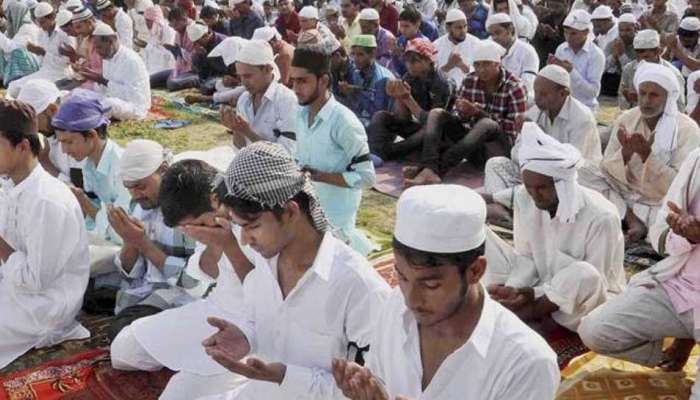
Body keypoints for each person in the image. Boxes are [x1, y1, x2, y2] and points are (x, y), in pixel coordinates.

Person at [185, 142, 390, 399]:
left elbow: (377, 391)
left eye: (252, 226)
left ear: (291, 211)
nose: (245, 240)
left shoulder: (357, 285)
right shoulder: (267, 258)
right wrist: (247, 338)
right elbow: (262, 320)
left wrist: (285, 376)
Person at [332, 184, 560, 400]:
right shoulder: (395, 307)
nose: (412, 300)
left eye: (430, 285)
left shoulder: (526, 362)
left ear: (475, 271)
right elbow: (380, 378)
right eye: (402, 277)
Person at [111, 159, 247, 400]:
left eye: (196, 225)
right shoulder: (210, 221)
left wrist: (229, 244)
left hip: (252, 328)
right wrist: (215, 244)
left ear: (216, 202)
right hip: (214, 309)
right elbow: (200, 279)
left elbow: (265, 293)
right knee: (123, 350)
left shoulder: (256, 222)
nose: (194, 232)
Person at [483, 122, 626, 334]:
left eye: (541, 188)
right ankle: (513, 306)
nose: (534, 194)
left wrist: (534, 295)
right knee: (480, 235)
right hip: (539, 285)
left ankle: (528, 314)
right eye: (529, 186)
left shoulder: (602, 216)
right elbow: (526, 256)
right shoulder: (525, 197)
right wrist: (514, 289)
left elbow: (596, 282)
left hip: (582, 304)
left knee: (584, 273)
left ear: (562, 184)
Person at [579, 147, 700, 394]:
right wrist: (683, 233)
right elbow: (660, 232)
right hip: (681, 286)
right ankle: (680, 342)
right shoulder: (697, 159)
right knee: (595, 331)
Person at [0, 99, 90, 370]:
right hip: (12, 288)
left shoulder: (46, 201)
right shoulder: (12, 185)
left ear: (23, 146)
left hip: (43, 309)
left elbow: (35, 281)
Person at [580, 62, 700, 243]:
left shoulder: (687, 130)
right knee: (582, 170)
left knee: (674, 231)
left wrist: (647, 157)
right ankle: (632, 221)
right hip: (625, 197)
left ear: (668, 98)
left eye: (654, 95)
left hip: (659, 204)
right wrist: (625, 154)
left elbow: (679, 186)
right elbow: (605, 169)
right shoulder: (627, 118)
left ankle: (636, 225)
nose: (645, 101)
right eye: (642, 93)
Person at [99, 140, 199, 333]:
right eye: (129, 187)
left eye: (140, 186)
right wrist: (129, 240)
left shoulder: (188, 213)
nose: (135, 195)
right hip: (149, 288)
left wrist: (142, 243)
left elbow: (190, 281)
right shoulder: (143, 205)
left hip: (181, 296)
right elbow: (130, 274)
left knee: (123, 330)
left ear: (164, 170)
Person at [405, 40, 527, 186]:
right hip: (471, 146)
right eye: (477, 64)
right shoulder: (470, 80)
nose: (481, 69)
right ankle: (428, 167)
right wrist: (465, 112)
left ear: (498, 64)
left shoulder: (515, 86)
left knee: (486, 124)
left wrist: (479, 113)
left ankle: (434, 169)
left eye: (486, 64)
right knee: (437, 114)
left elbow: (515, 130)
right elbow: (458, 116)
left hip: (498, 150)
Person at [291, 48, 377, 256]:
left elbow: (366, 178)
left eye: (302, 81)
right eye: (292, 81)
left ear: (324, 81)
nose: (295, 88)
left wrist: (321, 177)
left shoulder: (344, 122)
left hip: (335, 218)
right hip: (306, 210)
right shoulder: (300, 114)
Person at [484, 65, 602, 195]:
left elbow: (571, 163)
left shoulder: (582, 118)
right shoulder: (535, 112)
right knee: (495, 164)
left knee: (548, 184)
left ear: (563, 94)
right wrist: (528, 137)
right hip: (538, 174)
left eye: (543, 94)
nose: (537, 98)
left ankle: (508, 201)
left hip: (575, 178)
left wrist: (538, 137)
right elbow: (516, 154)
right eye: (536, 92)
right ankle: (510, 200)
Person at [53, 90, 131, 247]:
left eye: (68, 142)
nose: (64, 150)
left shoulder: (122, 169)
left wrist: (83, 202)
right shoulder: (89, 163)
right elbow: (92, 222)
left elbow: (121, 232)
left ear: (92, 135)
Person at [367, 38, 453, 164]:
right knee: (381, 116)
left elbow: (432, 121)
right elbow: (402, 118)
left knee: (422, 134)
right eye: (406, 61)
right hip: (420, 126)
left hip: (440, 133)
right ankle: (377, 153)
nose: (409, 65)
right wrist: (398, 97)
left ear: (429, 60)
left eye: (414, 61)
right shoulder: (409, 77)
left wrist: (407, 98)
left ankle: (387, 152)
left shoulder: (442, 83)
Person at [220, 40, 298, 153]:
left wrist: (248, 132)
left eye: (248, 76)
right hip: (248, 163)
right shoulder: (244, 99)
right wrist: (236, 129)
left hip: (277, 169)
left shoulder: (286, 100)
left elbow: (286, 155)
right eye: (240, 77)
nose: (243, 82)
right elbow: (239, 148)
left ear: (267, 69)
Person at [73, 22, 151, 121]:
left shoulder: (131, 60)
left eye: (99, 47)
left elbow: (133, 95)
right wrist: (95, 81)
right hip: (111, 98)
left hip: (134, 107)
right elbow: (104, 90)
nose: (97, 52)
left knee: (108, 104)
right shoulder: (108, 57)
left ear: (110, 42)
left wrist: (103, 81)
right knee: (78, 93)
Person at [16, 79, 83, 184]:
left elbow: (80, 193)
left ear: (52, 110)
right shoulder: (52, 131)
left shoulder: (77, 137)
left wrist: (45, 163)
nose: (33, 129)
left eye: (34, 121)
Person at [6, 3, 75, 98]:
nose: (40, 26)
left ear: (53, 17)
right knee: (13, 87)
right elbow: (42, 60)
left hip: (60, 74)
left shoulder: (64, 32)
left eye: (43, 22)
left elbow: (66, 63)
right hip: (44, 71)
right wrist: (37, 52)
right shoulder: (42, 33)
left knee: (24, 90)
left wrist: (44, 53)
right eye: (38, 22)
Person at [550, 9, 605, 110]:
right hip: (562, 106)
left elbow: (593, 92)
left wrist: (571, 72)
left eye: (573, 33)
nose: (568, 37)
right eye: (566, 33)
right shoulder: (562, 49)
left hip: (585, 108)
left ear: (586, 32)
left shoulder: (596, 55)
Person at [619, 29, 685, 110]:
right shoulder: (629, 69)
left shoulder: (672, 73)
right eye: (638, 55)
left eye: (645, 57)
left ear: (657, 51)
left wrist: (643, 100)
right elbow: (621, 99)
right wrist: (628, 100)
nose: (641, 61)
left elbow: (680, 106)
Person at [341, 34, 394, 127]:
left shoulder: (382, 79)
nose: (355, 59)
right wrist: (349, 93)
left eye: (360, 54)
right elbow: (357, 106)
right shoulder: (357, 73)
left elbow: (378, 114)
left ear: (373, 54)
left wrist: (356, 92)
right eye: (353, 54)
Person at [486, 12, 539, 104]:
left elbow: (527, 85)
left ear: (510, 29)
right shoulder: (489, 49)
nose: (494, 38)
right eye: (492, 34)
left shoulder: (527, 51)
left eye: (498, 32)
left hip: (521, 99)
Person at [433, 9, 478, 89]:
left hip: (470, 90)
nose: (463, 31)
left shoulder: (476, 43)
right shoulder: (436, 46)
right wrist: (449, 65)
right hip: (445, 92)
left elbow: (481, 73)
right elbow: (434, 76)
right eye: (459, 28)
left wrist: (462, 65)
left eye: (465, 26)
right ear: (448, 28)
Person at [0, 0, 41, 87]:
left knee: (17, 52)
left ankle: (14, 79)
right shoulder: (14, 27)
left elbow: (11, 48)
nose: (8, 18)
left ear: (16, 14)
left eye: (9, 14)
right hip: (20, 62)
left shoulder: (28, 28)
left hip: (32, 65)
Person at [187, 22, 228, 94]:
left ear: (205, 36)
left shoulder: (222, 42)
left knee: (205, 88)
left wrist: (206, 55)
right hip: (208, 76)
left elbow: (224, 69)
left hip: (223, 75)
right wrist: (198, 55)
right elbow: (201, 72)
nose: (196, 45)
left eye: (197, 42)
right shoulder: (203, 45)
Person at [603, 13, 637, 97]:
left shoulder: (639, 45)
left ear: (635, 29)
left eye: (628, 30)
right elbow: (603, 68)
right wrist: (614, 56)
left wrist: (621, 55)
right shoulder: (613, 44)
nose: (624, 33)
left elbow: (633, 71)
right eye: (621, 30)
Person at [141, 5, 177, 84]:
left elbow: (170, 56)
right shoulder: (153, 31)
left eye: (148, 20)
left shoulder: (169, 31)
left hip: (166, 68)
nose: (146, 23)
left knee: (145, 81)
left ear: (155, 20)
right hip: (153, 67)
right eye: (145, 20)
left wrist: (149, 47)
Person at [389, 6, 426, 77]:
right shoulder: (401, 39)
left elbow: (415, 72)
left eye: (406, 26)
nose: (402, 30)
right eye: (401, 26)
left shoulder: (423, 45)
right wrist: (394, 54)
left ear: (417, 24)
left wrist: (400, 56)